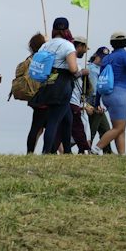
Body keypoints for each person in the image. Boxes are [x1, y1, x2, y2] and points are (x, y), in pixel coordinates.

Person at [21, 17, 84, 155]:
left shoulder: (45, 45)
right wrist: (81, 73)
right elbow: (73, 69)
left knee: (67, 118)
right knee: (54, 121)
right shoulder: (68, 46)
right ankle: (46, 153)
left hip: (47, 84)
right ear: (67, 30)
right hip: (62, 85)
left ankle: (66, 151)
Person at [91, 32, 126, 155]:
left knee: (120, 129)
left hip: (106, 96)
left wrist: (97, 103)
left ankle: (122, 156)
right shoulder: (124, 55)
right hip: (119, 96)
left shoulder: (106, 58)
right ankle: (95, 149)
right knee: (119, 128)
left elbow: (101, 80)